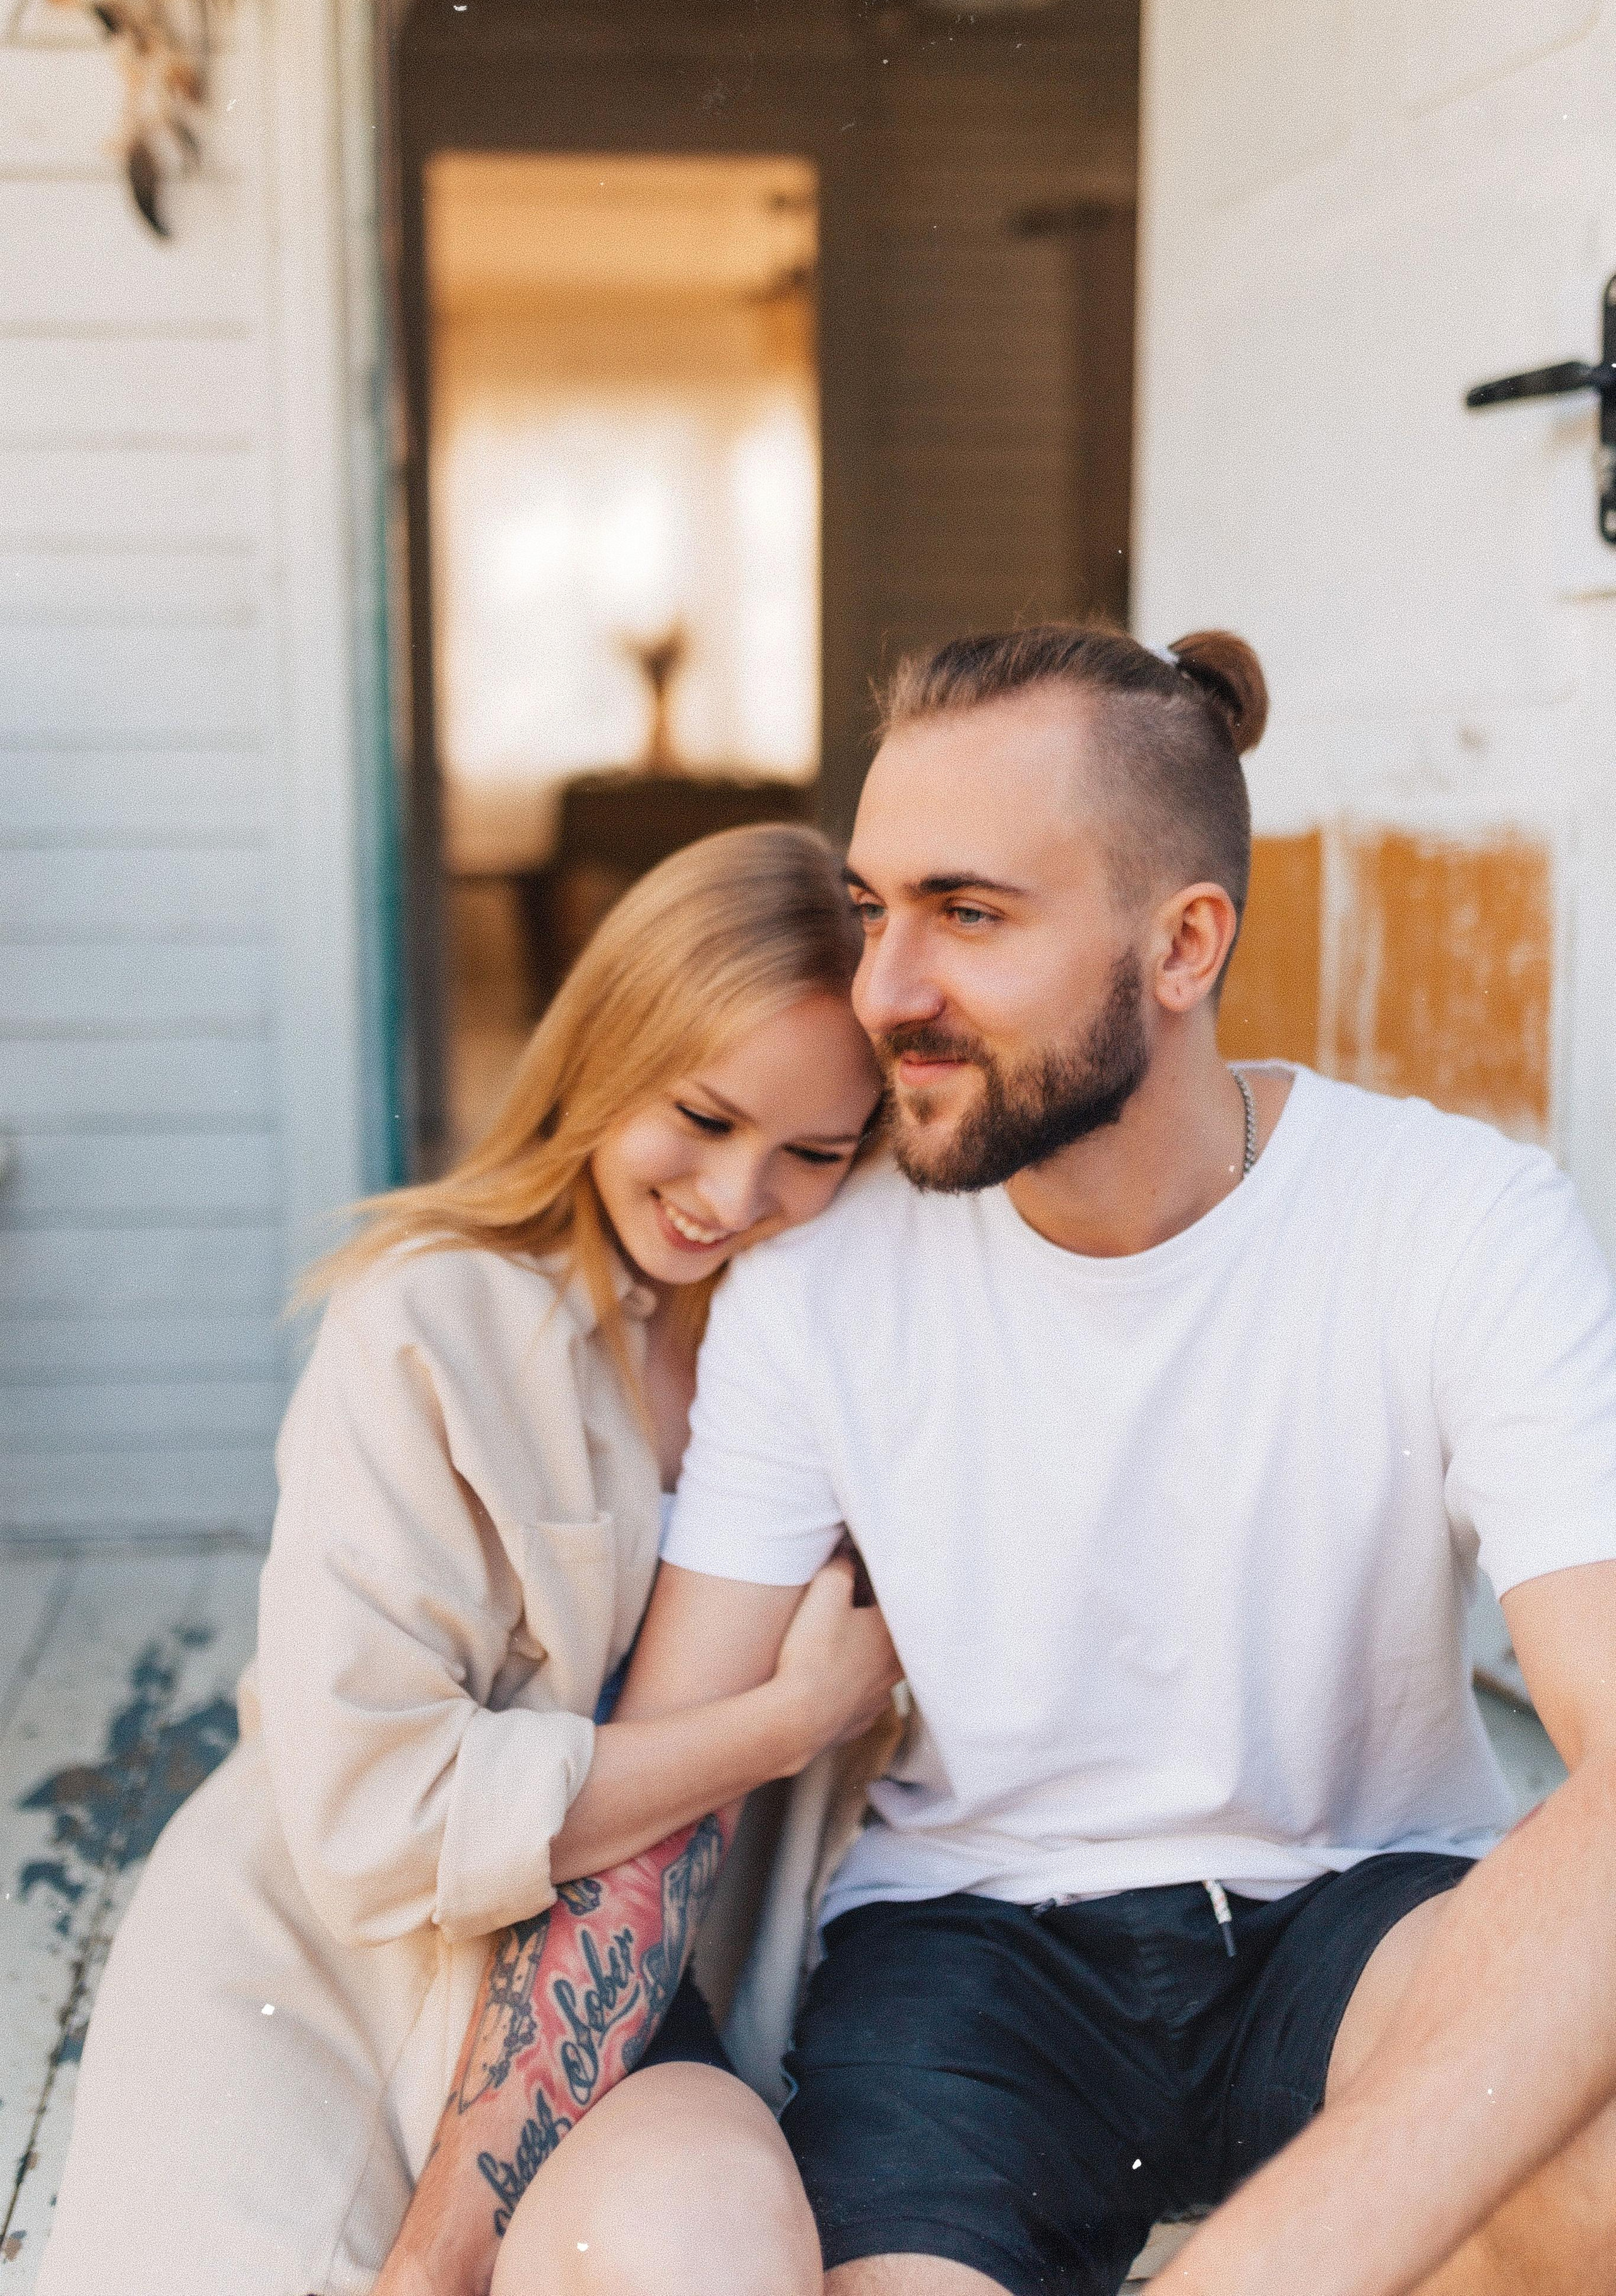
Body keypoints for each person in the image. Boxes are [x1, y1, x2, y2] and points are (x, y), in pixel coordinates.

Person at [383, 619, 1616, 2296]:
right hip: (968, 1955)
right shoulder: (818, 1281)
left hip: (1363, 1912)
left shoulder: (1458, 1221)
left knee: (1592, 2184)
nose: (883, 990)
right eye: (875, 910)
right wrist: (438, 2254)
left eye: (968, 915)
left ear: (1183, 947)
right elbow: (667, 1782)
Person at [34, 822, 901, 2296]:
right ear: (604, 1053)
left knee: (707, 2239)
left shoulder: (839, 1347)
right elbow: (384, 1815)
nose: (734, 1192)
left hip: (634, 2004)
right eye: (698, 1115)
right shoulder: (430, 1328)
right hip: (334, 1989)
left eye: (810, 1153)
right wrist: (783, 1722)